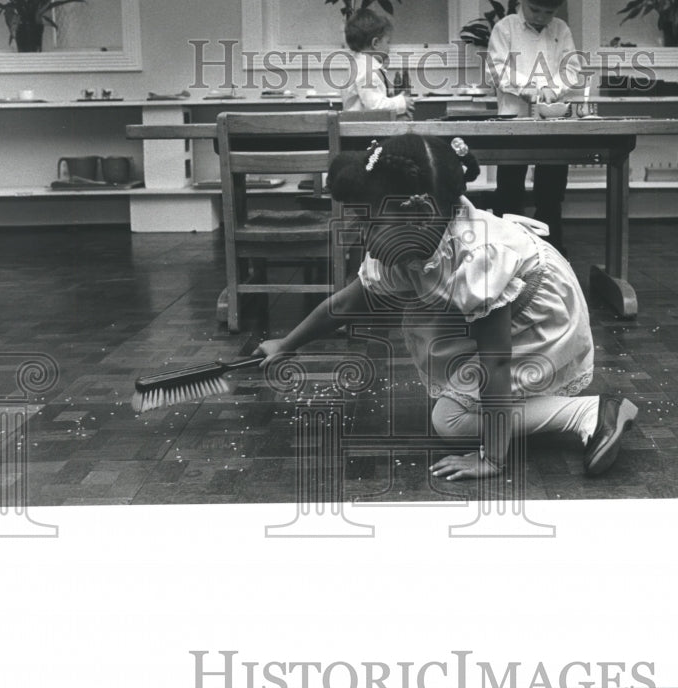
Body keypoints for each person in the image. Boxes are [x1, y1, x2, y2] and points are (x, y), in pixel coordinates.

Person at [256, 133, 636, 481]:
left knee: (450, 420)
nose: (358, 233)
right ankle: (542, 404)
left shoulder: (477, 261)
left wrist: (493, 457)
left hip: (538, 317)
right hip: (499, 317)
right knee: (455, 381)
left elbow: (496, 362)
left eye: (367, 220)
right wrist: (288, 344)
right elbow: (350, 300)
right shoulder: (410, 240)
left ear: (419, 214)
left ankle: (589, 411)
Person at [487, 0, 583, 253]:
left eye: (549, 11)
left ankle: (551, 252)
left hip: (553, 126)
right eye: (534, 9)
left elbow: (571, 69)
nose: (541, 17)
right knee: (509, 189)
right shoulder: (506, 29)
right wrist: (530, 88)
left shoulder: (560, 30)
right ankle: (508, 251)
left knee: (551, 191)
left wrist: (553, 89)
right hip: (513, 123)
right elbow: (497, 69)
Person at [341, 8, 414, 117]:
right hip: (364, 131)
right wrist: (401, 102)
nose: (389, 48)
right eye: (387, 42)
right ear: (375, 43)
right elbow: (374, 106)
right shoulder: (367, 70)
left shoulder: (359, 65)